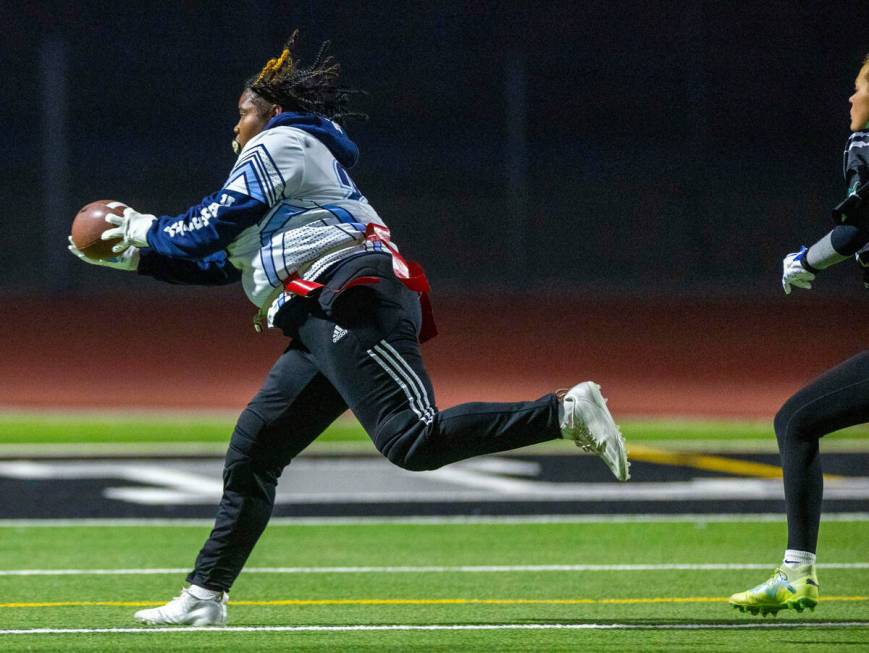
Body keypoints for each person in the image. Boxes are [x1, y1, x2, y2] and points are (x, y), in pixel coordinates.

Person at [68, 31, 630, 627]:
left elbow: (215, 220)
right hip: (315, 314)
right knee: (255, 450)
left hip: (352, 295)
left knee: (412, 441)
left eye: (241, 116)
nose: (233, 131)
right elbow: (220, 259)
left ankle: (563, 412)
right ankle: (205, 596)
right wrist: (138, 256)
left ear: (273, 113)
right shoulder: (282, 174)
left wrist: (141, 229)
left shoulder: (284, 142)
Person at [729, 53, 869, 617]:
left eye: (861, 86)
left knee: (794, 420)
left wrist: (808, 261)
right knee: (797, 420)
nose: (852, 99)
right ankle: (796, 574)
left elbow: (860, 221)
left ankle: (797, 574)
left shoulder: (865, 145)